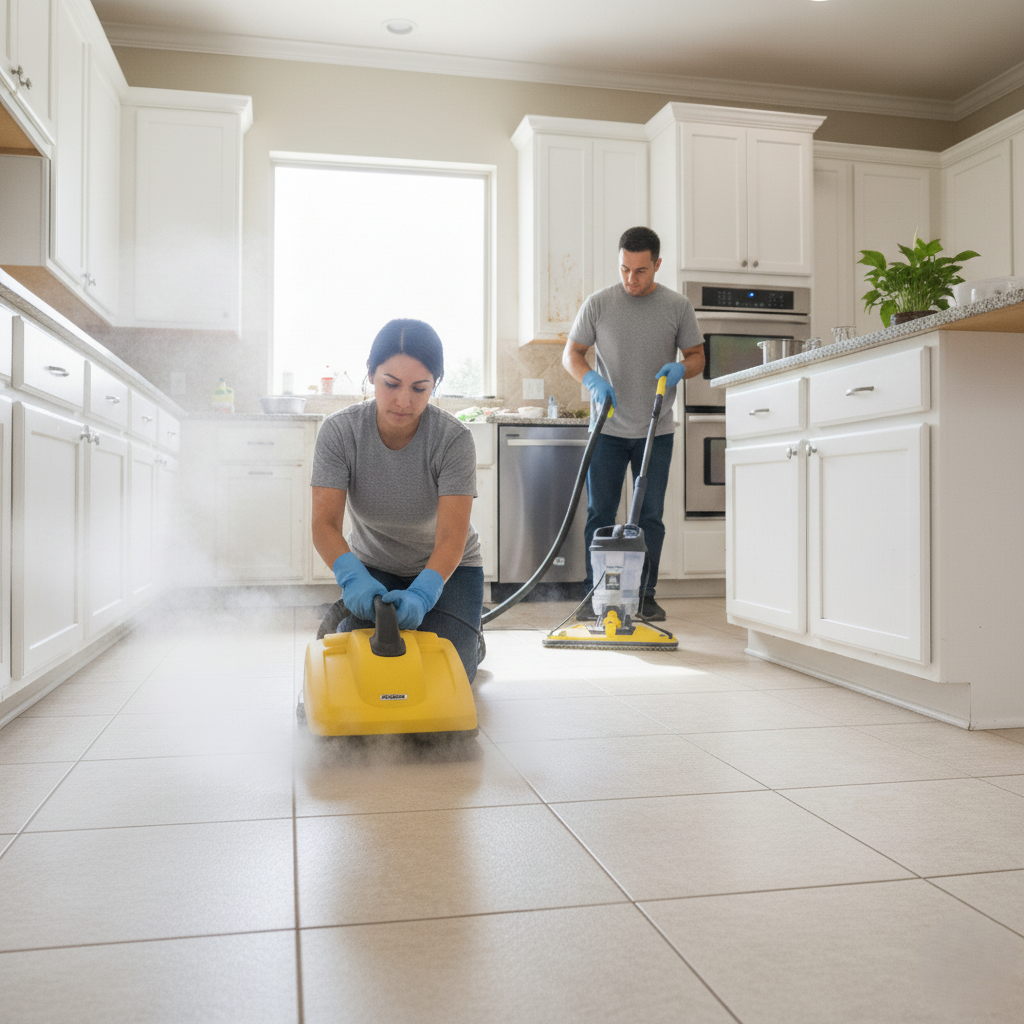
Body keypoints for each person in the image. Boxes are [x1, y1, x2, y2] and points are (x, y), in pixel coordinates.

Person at [310, 319, 484, 681]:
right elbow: (324, 525)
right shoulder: (339, 432)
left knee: (445, 673)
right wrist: (352, 577)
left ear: (435, 384)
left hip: (447, 571)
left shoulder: (453, 440)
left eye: (420, 388)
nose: (404, 401)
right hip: (373, 569)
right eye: (391, 384)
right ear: (371, 374)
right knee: (360, 667)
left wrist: (422, 593)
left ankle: (473, 639)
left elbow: (452, 538)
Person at [561, 226, 705, 622]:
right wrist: (590, 378)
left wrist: (682, 368)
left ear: (657, 265)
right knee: (599, 514)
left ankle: (644, 596)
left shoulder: (676, 307)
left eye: (641, 271)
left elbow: (696, 356)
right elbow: (572, 353)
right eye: (625, 268)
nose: (631, 279)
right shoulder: (599, 304)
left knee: (649, 518)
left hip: (655, 431)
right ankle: (597, 596)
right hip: (606, 430)